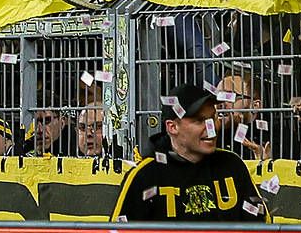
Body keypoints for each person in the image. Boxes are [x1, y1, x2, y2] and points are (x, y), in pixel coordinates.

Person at [112, 83, 267, 223]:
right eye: (200, 121)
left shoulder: (232, 165)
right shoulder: (145, 176)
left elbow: (263, 228)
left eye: (214, 117)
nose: (212, 127)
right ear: (172, 127)